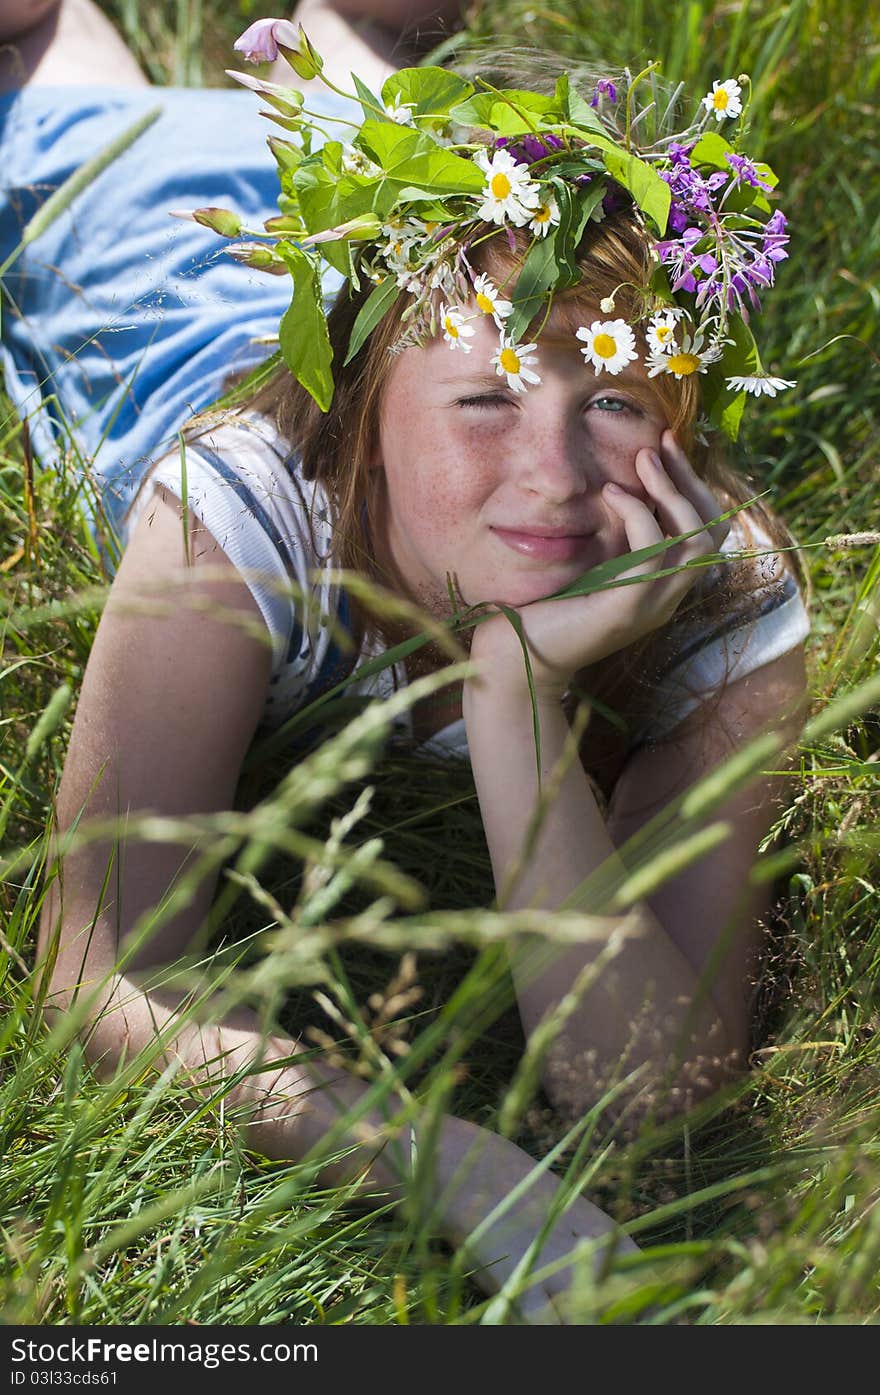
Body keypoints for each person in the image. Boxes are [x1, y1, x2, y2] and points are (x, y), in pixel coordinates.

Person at [2, 0, 810, 1322]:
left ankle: (336, 42)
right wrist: (460, 1170)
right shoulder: (237, 516)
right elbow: (98, 977)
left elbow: (651, 1100)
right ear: (364, 410)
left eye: (610, 392)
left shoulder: (722, 596)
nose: (550, 480)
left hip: (366, 250)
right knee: (65, 98)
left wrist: (517, 707)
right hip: (148, 264)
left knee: (355, 135)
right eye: (486, 398)